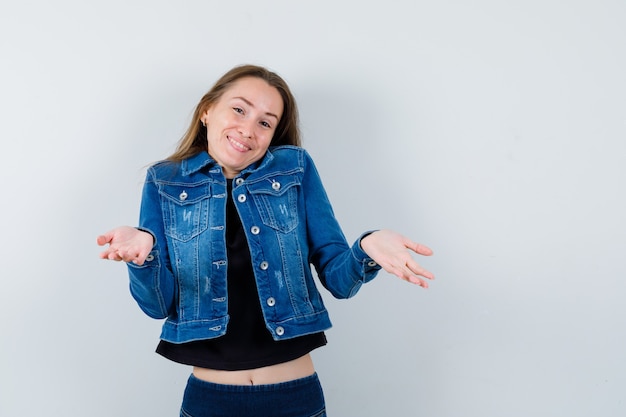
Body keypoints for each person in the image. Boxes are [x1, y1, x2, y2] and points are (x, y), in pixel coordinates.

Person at [97, 64, 434, 417]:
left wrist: (366, 248)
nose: (248, 128)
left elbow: (339, 280)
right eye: (239, 109)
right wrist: (142, 261)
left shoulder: (295, 168)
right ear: (207, 111)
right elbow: (157, 305)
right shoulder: (165, 181)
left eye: (265, 122)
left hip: (295, 400)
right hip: (210, 403)